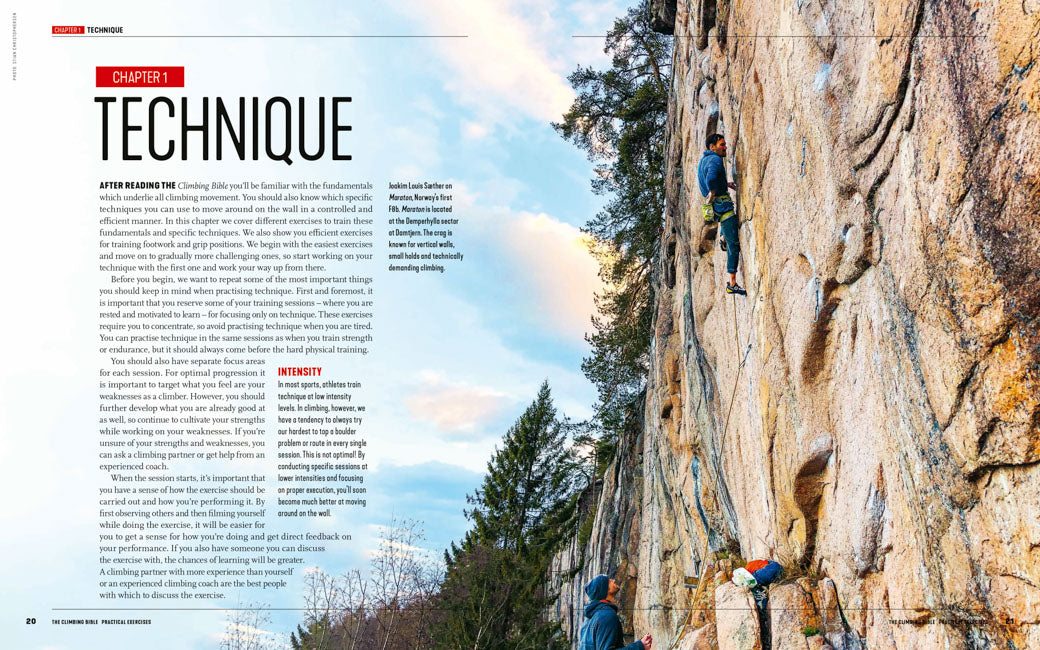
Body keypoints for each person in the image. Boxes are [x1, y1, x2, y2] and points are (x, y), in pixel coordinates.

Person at [698, 133, 745, 296]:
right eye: (721, 145)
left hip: (715, 208)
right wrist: (712, 191)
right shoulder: (716, 160)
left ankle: (723, 238)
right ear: (712, 147)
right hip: (722, 206)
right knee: (735, 245)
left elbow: (709, 177)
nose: (725, 147)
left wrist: (725, 184)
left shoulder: (703, 160)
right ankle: (732, 283)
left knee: (727, 230)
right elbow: (711, 177)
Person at [579, 574, 653, 650]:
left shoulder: (588, 620)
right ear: (604, 590)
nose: (613, 580)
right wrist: (640, 646)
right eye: (609, 581)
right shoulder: (606, 615)